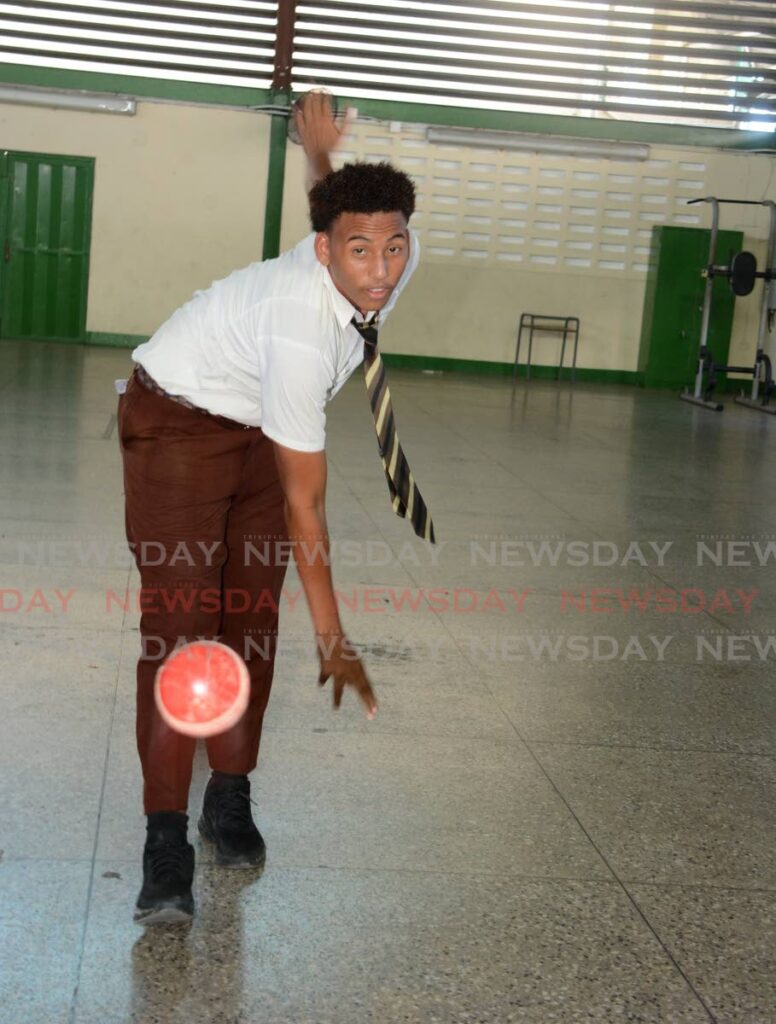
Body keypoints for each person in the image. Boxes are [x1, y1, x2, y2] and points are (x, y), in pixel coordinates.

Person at [118, 93, 422, 925]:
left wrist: (321, 157)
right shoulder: (297, 324)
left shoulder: (389, 249)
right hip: (177, 418)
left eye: (393, 248)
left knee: (249, 619)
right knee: (182, 628)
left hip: (259, 427)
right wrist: (336, 639)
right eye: (360, 253)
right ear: (322, 253)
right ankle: (164, 837)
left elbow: (356, 220)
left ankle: (230, 797)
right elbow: (307, 505)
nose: (381, 271)